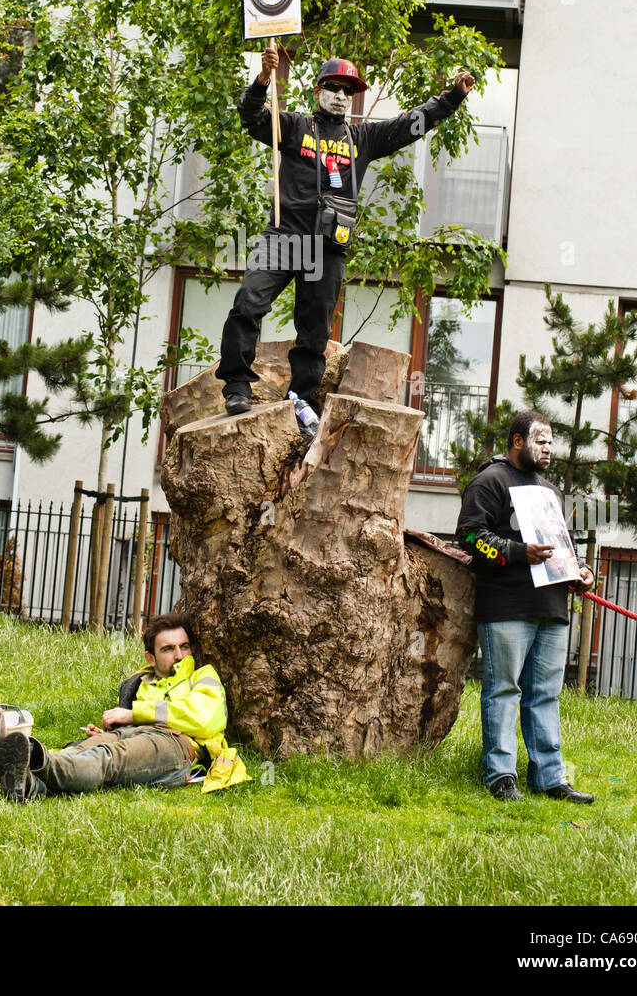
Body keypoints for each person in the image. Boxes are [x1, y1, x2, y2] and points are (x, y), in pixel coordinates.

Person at [217, 49, 474, 419]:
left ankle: (301, 400)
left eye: (348, 91)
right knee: (247, 304)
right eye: (333, 87)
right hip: (284, 238)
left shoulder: (363, 138)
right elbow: (251, 118)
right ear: (318, 91)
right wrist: (262, 80)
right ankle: (237, 386)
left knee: (315, 332)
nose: (340, 95)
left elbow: (412, 124)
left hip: (327, 248)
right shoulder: (293, 126)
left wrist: (452, 96)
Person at [456, 409, 596, 804]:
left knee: (545, 695)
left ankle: (550, 778)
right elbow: (468, 538)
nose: (548, 448)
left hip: (551, 607)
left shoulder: (549, 492)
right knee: (503, 690)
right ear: (518, 442)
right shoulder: (489, 481)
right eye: (541, 441)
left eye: (552, 442)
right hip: (506, 607)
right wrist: (519, 552)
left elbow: (562, 546)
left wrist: (582, 574)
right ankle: (501, 776)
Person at [0, 614, 228, 803]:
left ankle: (21, 757)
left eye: (184, 647)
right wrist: (109, 733)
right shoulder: (140, 682)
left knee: (107, 758)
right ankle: (22, 782)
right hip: (136, 736)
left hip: (177, 745)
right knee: (80, 749)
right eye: (168, 649)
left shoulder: (202, 675)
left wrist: (133, 715)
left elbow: (204, 718)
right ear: (150, 658)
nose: (179, 655)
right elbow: (134, 733)